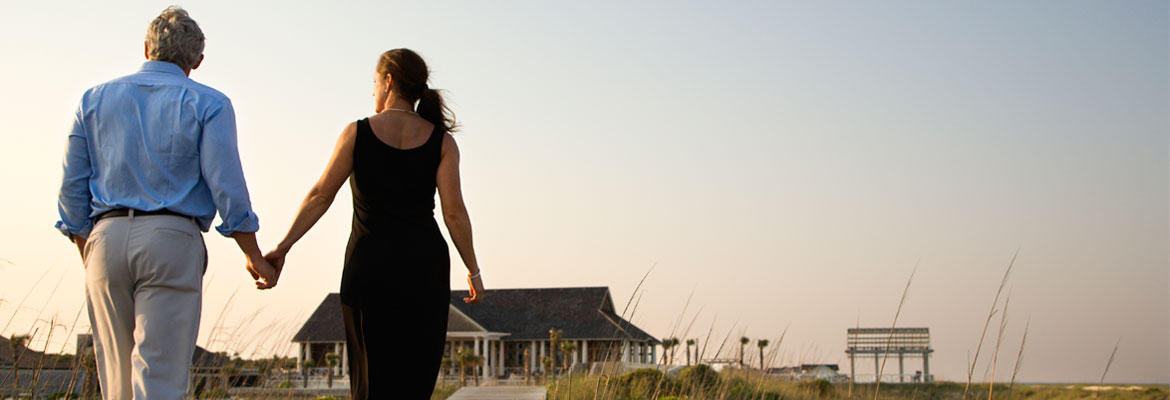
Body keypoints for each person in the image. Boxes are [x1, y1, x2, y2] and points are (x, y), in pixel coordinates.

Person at [55, 7, 278, 399]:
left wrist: (87, 247)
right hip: (172, 236)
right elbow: (227, 184)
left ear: (146, 48)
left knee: (115, 380)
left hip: (105, 237)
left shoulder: (93, 99)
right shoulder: (209, 103)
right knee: (159, 375)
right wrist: (252, 253)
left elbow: (71, 189)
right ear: (198, 60)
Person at [263, 48, 484, 399]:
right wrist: (472, 270)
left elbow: (321, 194)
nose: (372, 91)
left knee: (370, 383)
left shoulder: (357, 133)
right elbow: (454, 212)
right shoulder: (443, 142)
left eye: (374, 82)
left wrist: (283, 246)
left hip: (369, 271)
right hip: (423, 272)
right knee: (414, 380)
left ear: (389, 81)